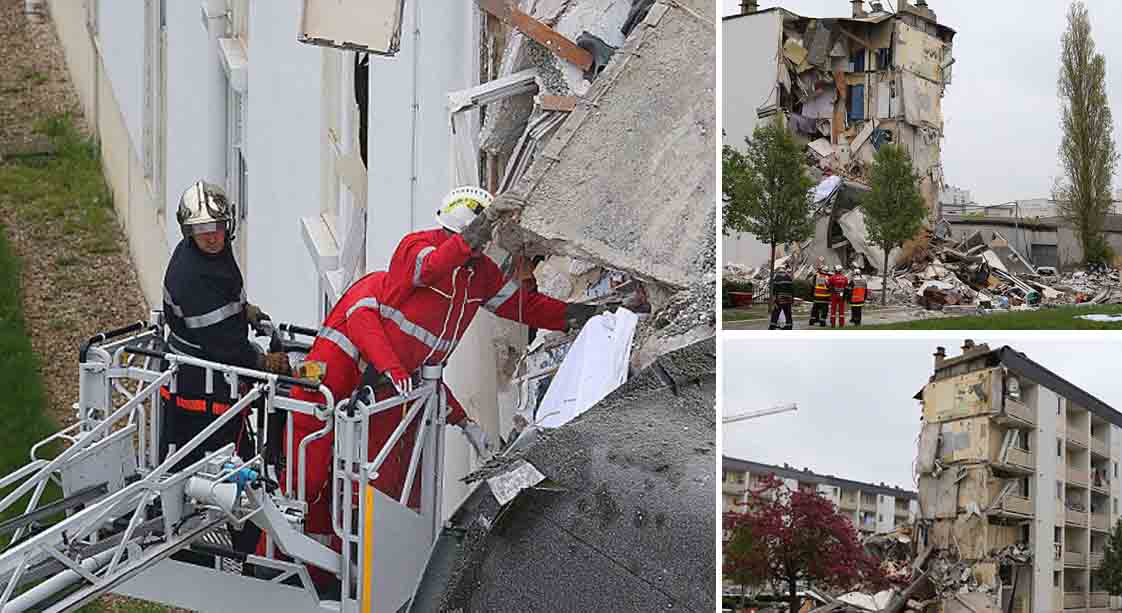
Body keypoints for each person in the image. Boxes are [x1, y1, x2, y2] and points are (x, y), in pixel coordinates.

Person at [280, 186, 605, 555]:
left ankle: (341, 562)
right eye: (472, 238)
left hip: (395, 383)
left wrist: (577, 315)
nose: (475, 248)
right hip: (348, 366)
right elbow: (429, 268)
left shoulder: (477, 276)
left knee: (386, 480)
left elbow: (522, 307)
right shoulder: (416, 247)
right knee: (309, 467)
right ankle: (284, 556)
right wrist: (477, 230)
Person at [161, 180, 291, 468]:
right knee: (218, 463)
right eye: (201, 230)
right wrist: (262, 362)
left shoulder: (209, 253)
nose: (211, 237)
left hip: (208, 374)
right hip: (201, 388)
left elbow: (224, 300)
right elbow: (221, 344)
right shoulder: (191, 277)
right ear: (188, 232)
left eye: (217, 227)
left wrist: (244, 310)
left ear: (227, 226)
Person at [768, 262, 794, 330]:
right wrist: (792, 299)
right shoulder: (789, 277)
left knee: (776, 312)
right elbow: (792, 289)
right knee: (788, 313)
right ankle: (789, 326)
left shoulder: (777, 277)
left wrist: (774, 299)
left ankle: (772, 326)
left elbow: (775, 289)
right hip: (788, 298)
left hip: (780, 298)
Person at [810, 259, 830, 327]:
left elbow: (813, 285)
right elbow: (829, 286)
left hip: (816, 295)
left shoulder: (816, 276)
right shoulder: (828, 277)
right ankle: (822, 322)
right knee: (824, 310)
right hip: (825, 296)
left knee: (815, 309)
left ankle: (812, 321)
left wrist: (812, 293)